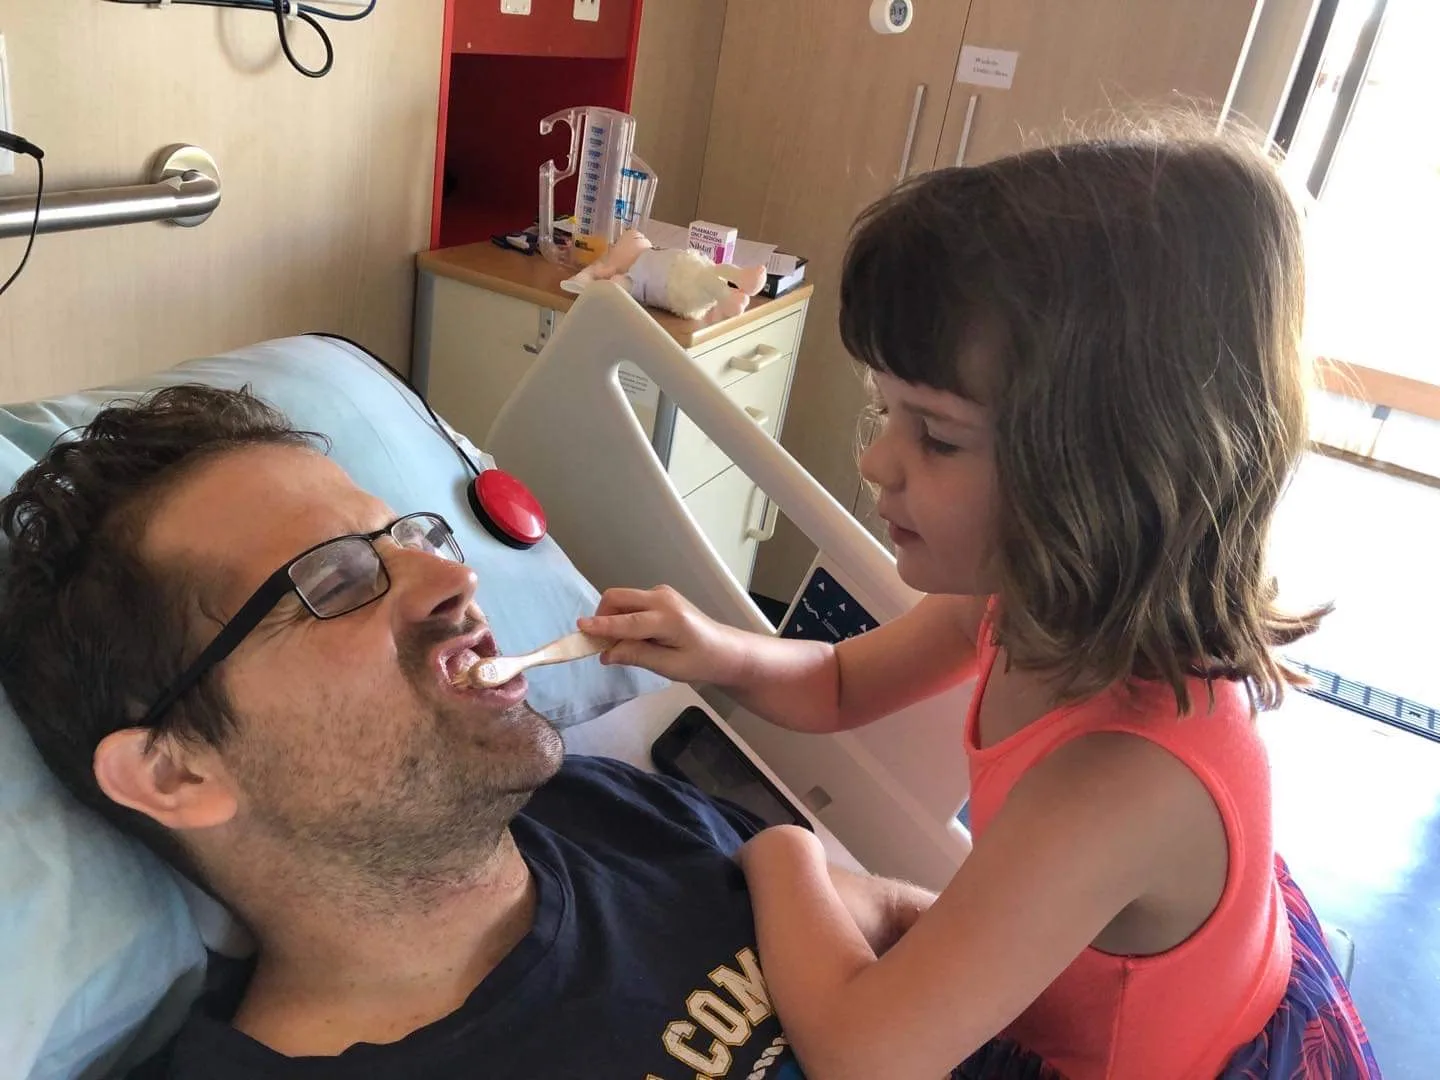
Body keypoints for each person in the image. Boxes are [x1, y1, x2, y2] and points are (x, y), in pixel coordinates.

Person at [581, 128, 1381, 1079]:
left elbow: (863, 1055)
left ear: (1109, 469)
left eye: (940, 437)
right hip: (1105, 988)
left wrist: (782, 852)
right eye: (887, 411)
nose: (878, 460)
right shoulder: (1025, 597)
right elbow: (838, 684)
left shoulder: (1123, 781)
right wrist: (721, 652)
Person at [0, 385, 932, 1079]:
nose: (456, 579)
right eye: (332, 580)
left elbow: (911, 936)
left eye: (413, 538)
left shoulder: (607, 807)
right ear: (175, 774)